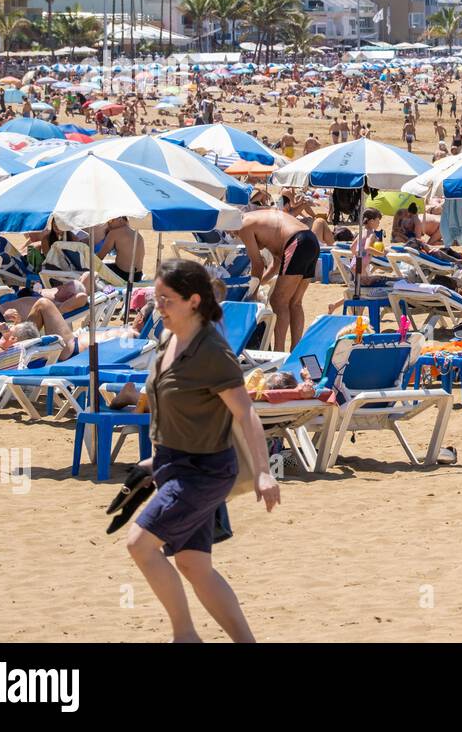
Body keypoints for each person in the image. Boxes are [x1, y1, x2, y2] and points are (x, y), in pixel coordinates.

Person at [124, 260, 279, 643]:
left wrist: (263, 471)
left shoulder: (212, 351)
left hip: (203, 472)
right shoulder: (167, 339)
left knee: (140, 545)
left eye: (166, 299)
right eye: (156, 297)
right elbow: (172, 406)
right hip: (174, 466)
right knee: (194, 564)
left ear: (193, 301)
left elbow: (245, 413)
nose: (157, 306)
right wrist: (155, 458)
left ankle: (185, 636)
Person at [235, 208, 320, 351]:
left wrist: (252, 294)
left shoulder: (243, 225)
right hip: (311, 240)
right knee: (295, 302)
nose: (235, 236)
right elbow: (276, 264)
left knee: (277, 300)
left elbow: (258, 263)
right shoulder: (261, 221)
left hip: (297, 242)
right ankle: (295, 350)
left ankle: (278, 351)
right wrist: (260, 283)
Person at [98, 216, 146, 282]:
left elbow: (100, 257)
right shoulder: (137, 234)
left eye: (110, 220)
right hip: (138, 275)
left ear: (120, 220)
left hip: (123, 275)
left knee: (95, 268)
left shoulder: (114, 233)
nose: (108, 224)